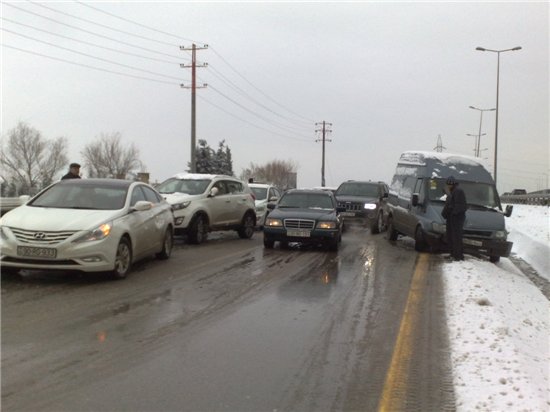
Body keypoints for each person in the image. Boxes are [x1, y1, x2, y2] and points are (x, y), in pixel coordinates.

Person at [443, 176, 467, 261]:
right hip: (451, 218)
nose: (448, 186)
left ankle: (458, 256)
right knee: (450, 236)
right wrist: (445, 213)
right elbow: (449, 204)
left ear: (452, 184)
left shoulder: (458, 191)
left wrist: (453, 213)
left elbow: (460, 206)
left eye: (448, 184)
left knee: (456, 237)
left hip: (456, 219)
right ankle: (453, 254)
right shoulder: (452, 192)